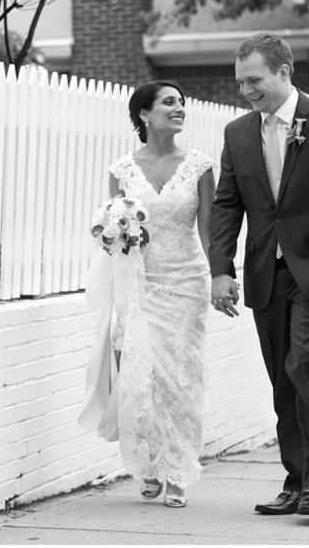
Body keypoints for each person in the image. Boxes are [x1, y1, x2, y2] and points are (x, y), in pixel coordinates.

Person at [208, 33, 309, 516]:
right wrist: (220, 271)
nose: (246, 91)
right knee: (282, 379)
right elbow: (226, 207)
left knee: (306, 366)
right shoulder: (237, 133)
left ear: (284, 72)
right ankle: (295, 480)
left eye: (254, 80)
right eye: (240, 83)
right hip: (265, 273)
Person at [78, 80, 216, 508]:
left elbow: (209, 233)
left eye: (181, 103)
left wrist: (222, 278)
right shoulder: (122, 170)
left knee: (180, 380)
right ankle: (150, 465)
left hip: (187, 282)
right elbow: (113, 233)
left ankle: (178, 472)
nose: (179, 109)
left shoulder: (200, 166)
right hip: (140, 285)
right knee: (143, 377)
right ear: (144, 113)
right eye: (169, 102)